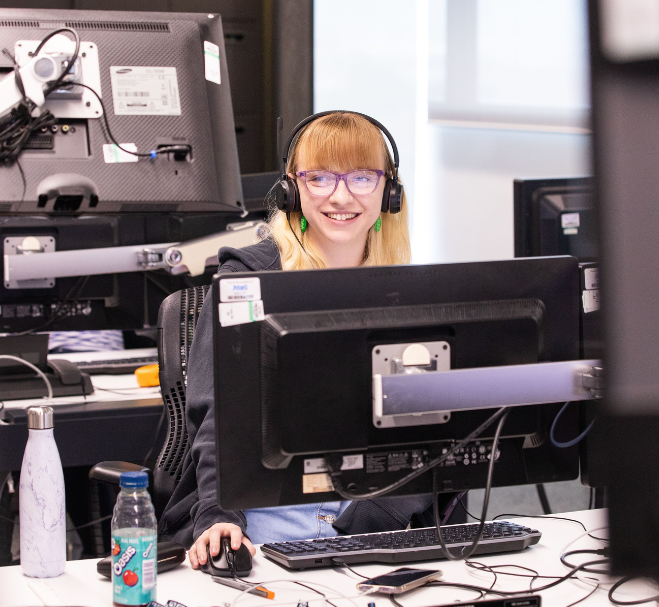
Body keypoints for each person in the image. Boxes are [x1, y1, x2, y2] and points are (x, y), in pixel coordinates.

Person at [159, 112, 452, 567]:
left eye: (361, 177)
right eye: (319, 178)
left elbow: (432, 428)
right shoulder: (249, 280)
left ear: (388, 192)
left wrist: (374, 517)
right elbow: (220, 413)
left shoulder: (409, 292)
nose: (341, 195)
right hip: (266, 518)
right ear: (292, 190)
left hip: (375, 516)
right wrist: (219, 516)